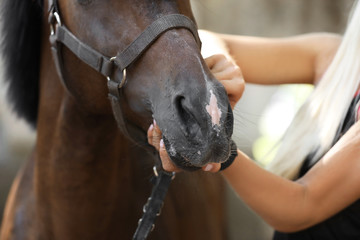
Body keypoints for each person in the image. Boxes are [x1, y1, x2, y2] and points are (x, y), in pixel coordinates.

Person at [148, 1, 360, 239]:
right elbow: (208, 39)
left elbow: (302, 203)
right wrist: (223, 71)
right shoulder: (337, 59)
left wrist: (219, 151)